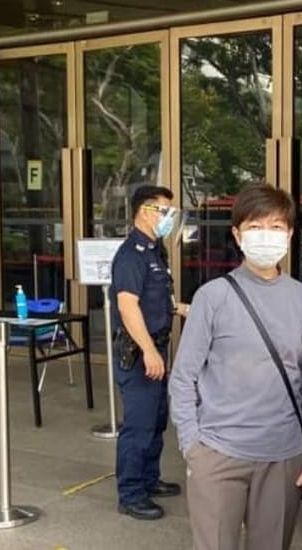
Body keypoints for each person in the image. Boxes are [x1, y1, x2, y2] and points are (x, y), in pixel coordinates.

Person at [169, 183, 302, 550]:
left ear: (289, 234)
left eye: (276, 227)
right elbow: (183, 377)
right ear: (238, 235)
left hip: (283, 456)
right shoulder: (213, 297)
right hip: (218, 453)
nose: (266, 236)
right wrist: (193, 446)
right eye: (255, 227)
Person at [111, 185, 189, 520]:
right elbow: (128, 308)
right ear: (146, 211)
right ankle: (130, 494)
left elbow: (159, 301)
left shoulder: (155, 252)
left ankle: (149, 479)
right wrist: (148, 352)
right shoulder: (131, 254)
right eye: (166, 212)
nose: (171, 218)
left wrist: (186, 309)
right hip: (139, 352)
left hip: (155, 346)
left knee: (157, 421)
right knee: (139, 425)